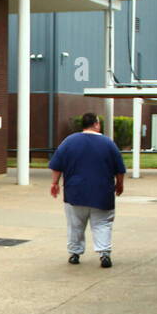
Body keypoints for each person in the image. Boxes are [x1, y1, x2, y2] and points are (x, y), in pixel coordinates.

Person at [48, 112, 125, 267]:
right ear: (96, 124)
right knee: (102, 224)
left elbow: (57, 165)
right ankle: (104, 254)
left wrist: (54, 183)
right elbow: (119, 169)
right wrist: (119, 184)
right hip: (102, 192)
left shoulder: (69, 141)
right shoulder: (108, 143)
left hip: (75, 192)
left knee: (75, 224)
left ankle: (75, 253)